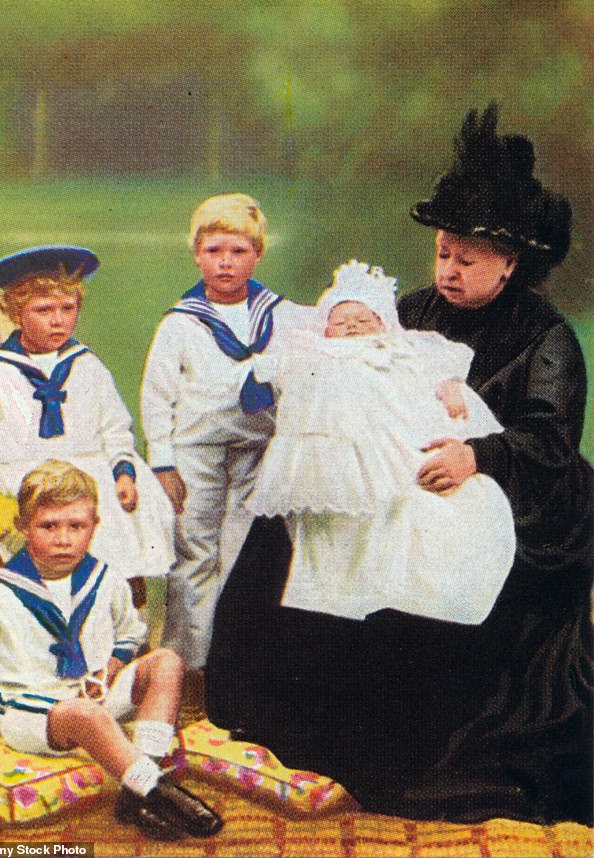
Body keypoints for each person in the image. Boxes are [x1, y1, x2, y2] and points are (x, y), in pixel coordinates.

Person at [206, 106, 593, 825]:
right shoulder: (407, 313)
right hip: (400, 470)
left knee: (433, 558)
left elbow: (551, 439)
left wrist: (476, 454)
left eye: (466, 259)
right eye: (443, 253)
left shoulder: (548, 340)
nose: (447, 270)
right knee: (297, 530)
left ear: (510, 263)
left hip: (522, 493)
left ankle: (400, 748)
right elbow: (347, 365)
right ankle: (272, 714)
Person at [0, 460, 222, 841]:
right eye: (48, 526)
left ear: (94, 526)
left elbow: (131, 631)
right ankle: (159, 790)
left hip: (92, 693)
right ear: (23, 527)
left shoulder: (104, 578)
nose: (63, 539)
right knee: (86, 715)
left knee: (167, 661)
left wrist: (113, 667)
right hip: (32, 712)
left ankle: (137, 793)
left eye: (76, 526)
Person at [246, 259, 515, 625]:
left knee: (434, 512)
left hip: (396, 446)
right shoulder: (318, 354)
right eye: (340, 322)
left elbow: (436, 366)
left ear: (384, 325)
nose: (352, 327)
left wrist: (450, 385)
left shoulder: (400, 350)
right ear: (325, 330)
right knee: (335, 536)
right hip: (334, 450)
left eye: (364, 320)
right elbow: (273, 372)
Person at [141, 192, 316, 669]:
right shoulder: (181, 322)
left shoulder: (281, 315)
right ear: (197, 254)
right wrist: (163, 462)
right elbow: (158, 395)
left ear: (258, 254)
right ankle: (185, 666)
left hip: (258, 448)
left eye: (238, 252)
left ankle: (233, 663)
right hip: (195, 450)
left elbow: (334, 332)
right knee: (194, 551)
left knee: (243, 552)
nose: (225, 263)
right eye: (214, 251)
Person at [0, 245, 176, 590]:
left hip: (88, 474)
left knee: (112, 534)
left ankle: (118, 613)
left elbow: (115, 426)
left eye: (67, 308)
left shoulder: (87, 366)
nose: (58, 320)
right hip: (24, 477)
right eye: (44, 310)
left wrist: (123, 472)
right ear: (16, 314)